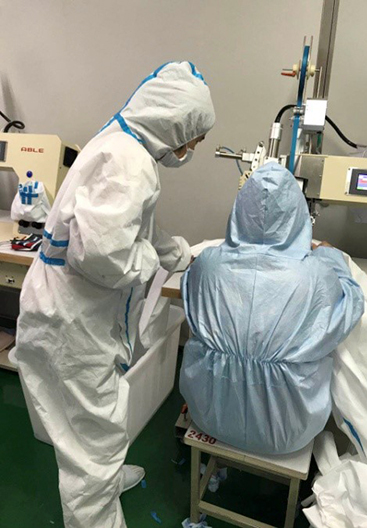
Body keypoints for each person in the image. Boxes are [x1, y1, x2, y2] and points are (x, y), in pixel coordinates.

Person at [16, 61, 214, 528]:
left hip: (66, 308)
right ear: (174, 122)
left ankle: (104, 477)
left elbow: (131, 227)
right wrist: (151, 261)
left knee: (90, 424)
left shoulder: (118, 143)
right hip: (73, 320)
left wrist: (177, 252)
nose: (192, 148)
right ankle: (96, 513)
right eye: (194, 138)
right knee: (93, 432)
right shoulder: (131, 161)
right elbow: (104, 256)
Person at [180, 162, 365, 455]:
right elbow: (352, 303)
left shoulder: (208, 265)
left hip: (208, 415)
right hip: (289, 431)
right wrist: (331, 257)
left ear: (239, 211)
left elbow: (189, 284)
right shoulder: (315, 276)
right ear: (297, 214)